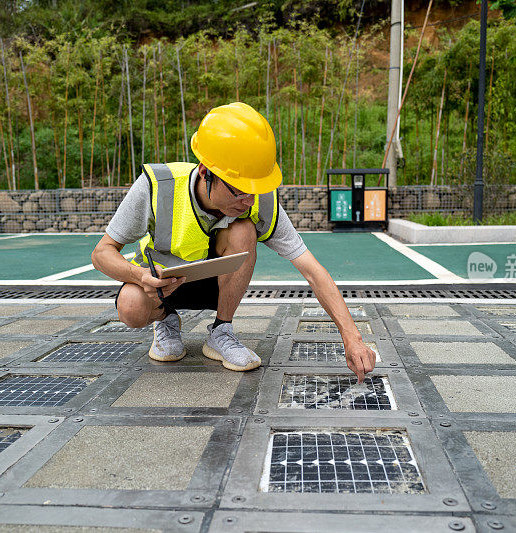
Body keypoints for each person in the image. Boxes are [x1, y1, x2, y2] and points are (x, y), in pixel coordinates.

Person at [91, 102, 375, 381]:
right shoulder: (159, 186)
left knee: (244, 231)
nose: (249, 200)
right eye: (239, 191)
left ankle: (221, 332)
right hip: (162, 288)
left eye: (255, 189)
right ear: (205, 172)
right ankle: (166, 321)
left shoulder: (259, 199)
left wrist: (352, 338)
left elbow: (312, 270)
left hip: (217, 285)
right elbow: (102, 253)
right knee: (130, 306)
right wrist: (140, 276)